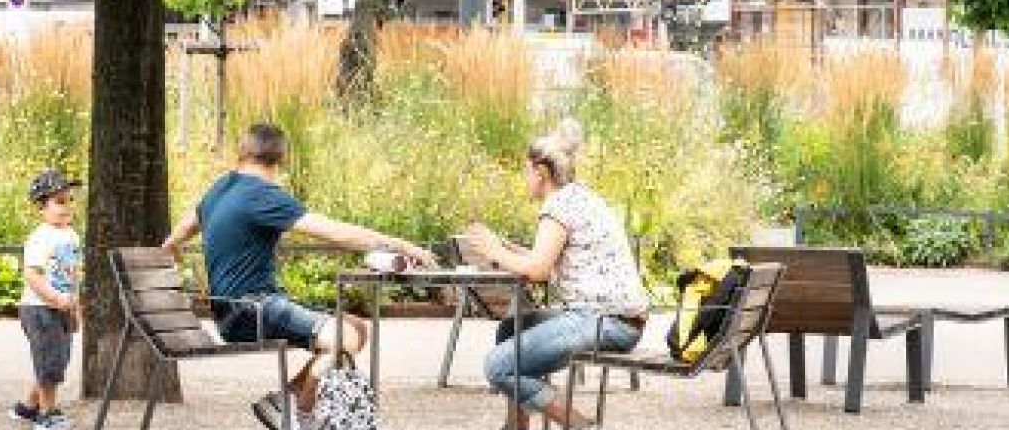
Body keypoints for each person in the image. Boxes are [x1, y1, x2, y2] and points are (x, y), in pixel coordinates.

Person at [161, 122, 437, 430]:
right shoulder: (263, 195)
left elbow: (187, 225)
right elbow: (336, 233)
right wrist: (402, 246)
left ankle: (285, 398)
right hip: (249, 308)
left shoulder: (220, 188)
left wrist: (171, 246)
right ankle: (301, 418)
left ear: (241, 153)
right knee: (344, 338)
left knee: (357, 327)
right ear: (281, 160)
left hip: (235, 308)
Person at [462, 120, 650, 430]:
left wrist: (495, 251)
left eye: (526, 171)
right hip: (616, 318)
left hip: (605, 322)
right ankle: (517, 427)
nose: (524, 178)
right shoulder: (579, 197)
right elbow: (549, 261)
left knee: (498, 367)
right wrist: (510, 250)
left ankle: (579, 425)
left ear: (541, 172)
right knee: (511, 330)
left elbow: (537, 271)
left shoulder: (558, 207)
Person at [13, 168, 82, 428]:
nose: (66, 207)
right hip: (40, 308)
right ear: (42, 207)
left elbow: (74, 274)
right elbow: (32, 275)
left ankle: (28, 408)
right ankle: (47, 413)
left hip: (62, 307)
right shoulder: (40, 237)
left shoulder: (71, 235)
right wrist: (54, 298)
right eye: (59, 202)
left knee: (56, 360)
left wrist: (76, 305)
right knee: (49, 361)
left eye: (69, 200)